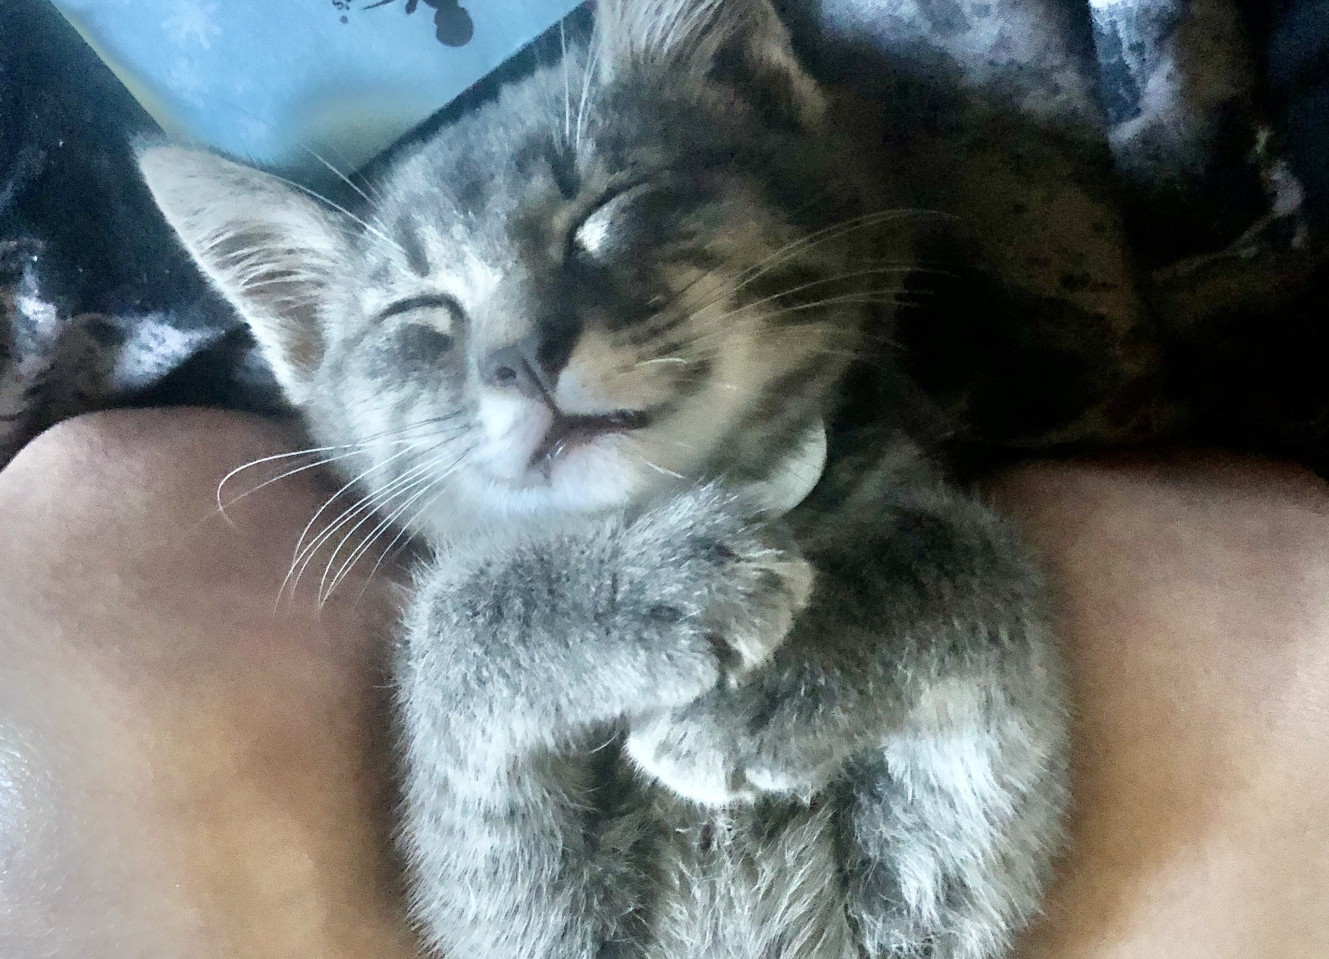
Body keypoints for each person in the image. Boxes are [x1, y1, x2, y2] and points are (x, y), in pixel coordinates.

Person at [1, 407, 1326, 958]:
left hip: (516, 470)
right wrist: (843, 665)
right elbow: (979, 628)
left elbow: (466, 683)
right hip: (836, 407)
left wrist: (609, 620)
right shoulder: (923, 939)